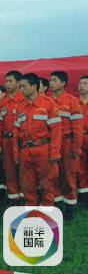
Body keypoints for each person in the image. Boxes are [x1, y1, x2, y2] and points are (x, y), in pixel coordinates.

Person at [13, 73, 62, 207]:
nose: (21, 89)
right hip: (25, 150)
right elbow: (16, 132)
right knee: (28, 185)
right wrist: (16, 152)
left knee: (47, 183)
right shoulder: (20, 106)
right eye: (20, 86)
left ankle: (47, 211)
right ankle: (32, 211)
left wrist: (54, 152)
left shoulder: (48, 104)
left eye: (24, 86)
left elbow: (56, 131)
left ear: (34, 86)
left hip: (43, 150)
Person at [50, 71, 84, 219]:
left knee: (69, 175)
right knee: (54, 175)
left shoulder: (72, 101)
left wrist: (76, 147)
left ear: (63, 83)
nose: (51, 83)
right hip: (52, 143)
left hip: (67, 142)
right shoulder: (47, 101)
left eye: (54, 80)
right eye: (50, 80)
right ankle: (57, 205)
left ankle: (70, 207)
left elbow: (78, 127)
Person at [0, 70, 26, 204]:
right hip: (7, 141)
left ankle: (25, 198)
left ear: (19, 82)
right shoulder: (3, 103)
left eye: (10, 81)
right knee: (9, 171)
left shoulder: (25, 100)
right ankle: (13, 199)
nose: (7, 84)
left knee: (24, 171)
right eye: (6, 81)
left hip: (21, 141)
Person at [78, 75, 88, 205]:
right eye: (80, 84)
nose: (82, 86)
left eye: (85, 84)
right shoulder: (74, 102)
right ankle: (84, 196)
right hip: (79, 138)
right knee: (80, 168)